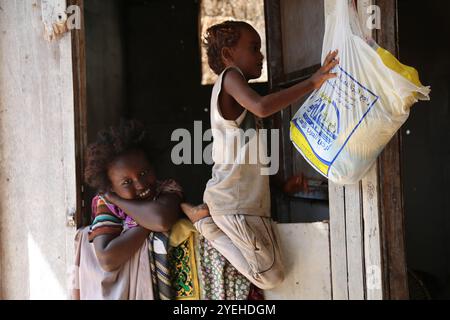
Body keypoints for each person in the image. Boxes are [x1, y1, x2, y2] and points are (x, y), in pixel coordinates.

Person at [181, 20, 339, 290]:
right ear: (228, 55)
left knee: (271, 272)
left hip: (246, 205)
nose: (261, 56)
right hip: (234, 203)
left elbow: (255, 158)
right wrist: (313, 82)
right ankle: (206, 224)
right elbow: (263, 106)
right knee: (270, 277)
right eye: (254, 48)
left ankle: (209, 222)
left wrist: (281, 185)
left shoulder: (241, 100)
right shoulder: (230, 78)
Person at [73, 120, 183, 300]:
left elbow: (161, 220)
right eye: (126, 182)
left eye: (143, 173)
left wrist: (117, 199)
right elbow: (107, 259)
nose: (140, 184)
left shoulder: (167, 189)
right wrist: (147, 220)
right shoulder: (107, 204)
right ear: (111, 187)